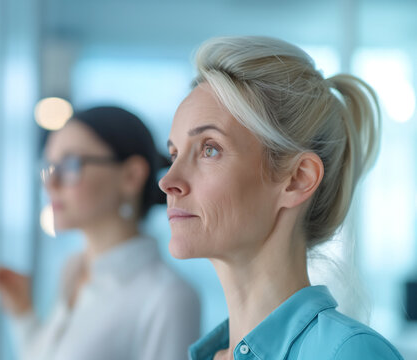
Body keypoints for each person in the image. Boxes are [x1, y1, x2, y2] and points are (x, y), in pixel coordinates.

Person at [159, 36, 403, 359]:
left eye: (209, 149)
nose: (168, 181)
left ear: (298, 179)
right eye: (174, 154)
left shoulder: (348, 353)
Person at [0, 106, 201, 360]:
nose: (51, 183)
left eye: (70, 164)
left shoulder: (167, 298)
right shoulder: (73, 272)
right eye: (48, 166)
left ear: (131, 176)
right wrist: (23, 314)